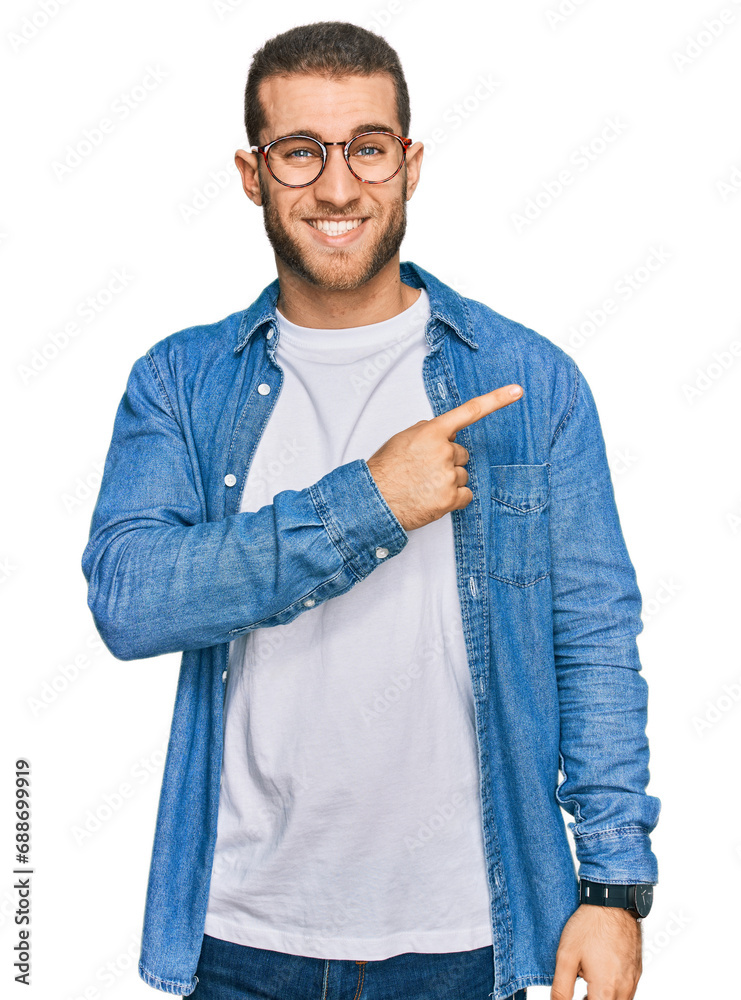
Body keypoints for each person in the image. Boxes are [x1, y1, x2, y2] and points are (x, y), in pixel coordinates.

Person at [81, 20, 661, 1000]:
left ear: (411, 161)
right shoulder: (181, 383)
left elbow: (594, 639)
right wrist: (371, 503)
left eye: (368, 147)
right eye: (300, 152)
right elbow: (132, 601)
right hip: (241, 937)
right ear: (251, 172)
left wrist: (614, 883)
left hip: (467, 937)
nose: (338, 186)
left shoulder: (529, 381)